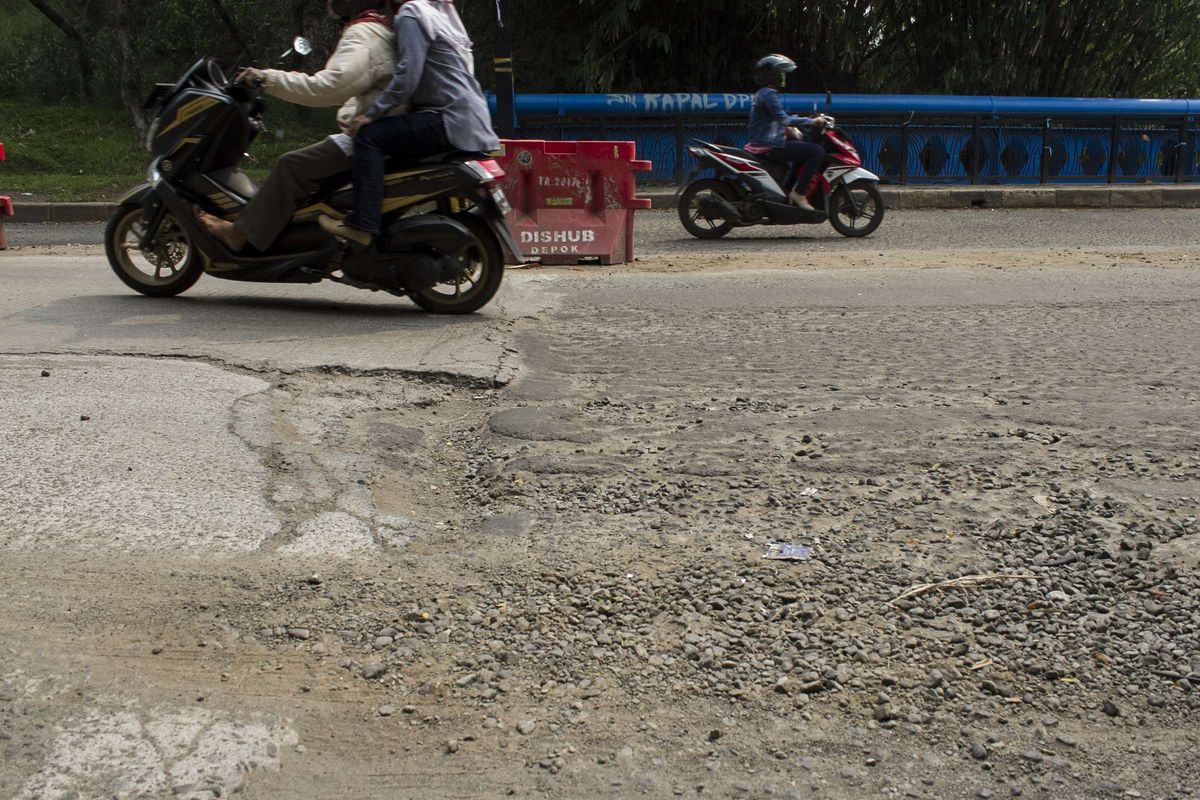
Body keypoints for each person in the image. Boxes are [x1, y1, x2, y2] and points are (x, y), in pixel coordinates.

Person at [196, 0, 399, 253]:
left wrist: (267, 79)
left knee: (291, 166)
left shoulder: (364, 33)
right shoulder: (383, 29)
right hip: (386, 127)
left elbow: (330, 87)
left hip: (369, 134)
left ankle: (239, 234)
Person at [318, 0, 499, 246]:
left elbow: (407, 75)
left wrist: (372, 114)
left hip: (448, 118)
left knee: (368, 137)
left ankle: (363, 224)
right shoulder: (436, 12)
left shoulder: (411, 15)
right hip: (470, 117)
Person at [744, 54, 826, 211]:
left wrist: (800, 123)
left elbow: (775, 119)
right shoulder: (768, 93)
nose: (783, 77)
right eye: (781, 73)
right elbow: (783, 119)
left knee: (801, 149)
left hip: (763, 143)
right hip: (768, 146)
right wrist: (811, 121)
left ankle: (788, 190)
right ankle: (799, 193)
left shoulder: (763, 93)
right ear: (772, 75)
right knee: (817, 152)